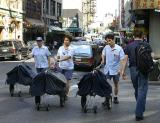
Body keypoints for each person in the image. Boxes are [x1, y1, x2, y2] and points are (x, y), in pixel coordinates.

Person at [122, 30, 150, 121]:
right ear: (142, 36)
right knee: (142, 90)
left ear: (134, 36)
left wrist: (122, 71)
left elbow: (125, 60)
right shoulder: (146, 45)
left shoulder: (129, 46)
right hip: (144, 70)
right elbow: (151, 57)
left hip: (133, 70)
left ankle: (140, 108)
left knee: (137, 89)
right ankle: (139, 113)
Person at [101, 33, 125, 104]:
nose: (109, 42)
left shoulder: (119, 48)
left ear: (113, 39)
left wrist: (120, 70)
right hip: (107, 69)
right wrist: (103, 59)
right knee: (106, 84)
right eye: (107, 41)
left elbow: (122, 60)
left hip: (115, 70)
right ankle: (107, 98)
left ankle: (115, 97)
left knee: (116, 84)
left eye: (110, 40)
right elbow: (103, 54)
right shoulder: (106, 47)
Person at [31, 37, 51, 106]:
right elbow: (32, 55)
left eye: (40, 41)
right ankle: (38, 100)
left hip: (44, 67)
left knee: (42, 81)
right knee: (38, 82)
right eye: (37, 41)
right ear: (36, 42)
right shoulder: (34, 48)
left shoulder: (45, 48)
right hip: (37, 67)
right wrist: (27, 56)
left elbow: (48, 57)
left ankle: (44, 90)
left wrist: (49, 66)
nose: (39, 42)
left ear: (42, 41)